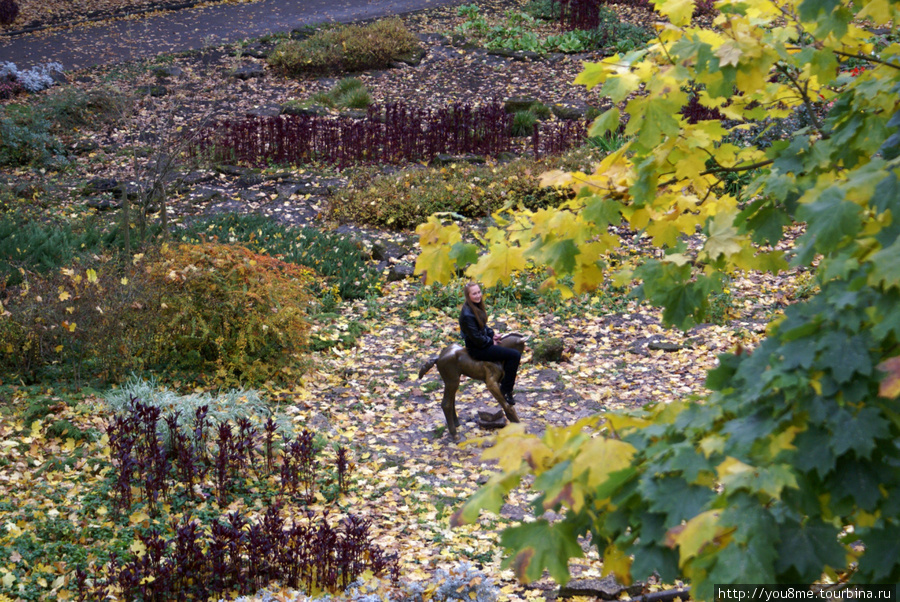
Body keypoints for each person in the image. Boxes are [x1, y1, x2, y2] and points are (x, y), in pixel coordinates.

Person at [459, 282, 521, 405]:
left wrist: (493, 335)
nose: (478, 296)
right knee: (514, 355)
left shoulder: (475, 307)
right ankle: (506, 390)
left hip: (483, 343)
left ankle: (503, 379)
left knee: (507, 347)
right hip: (478, 349)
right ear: (468, 296)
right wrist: (490, 341)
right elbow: (476, 338)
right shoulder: (467, 314)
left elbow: (483, 327)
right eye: (474, 294)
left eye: (478, 292)